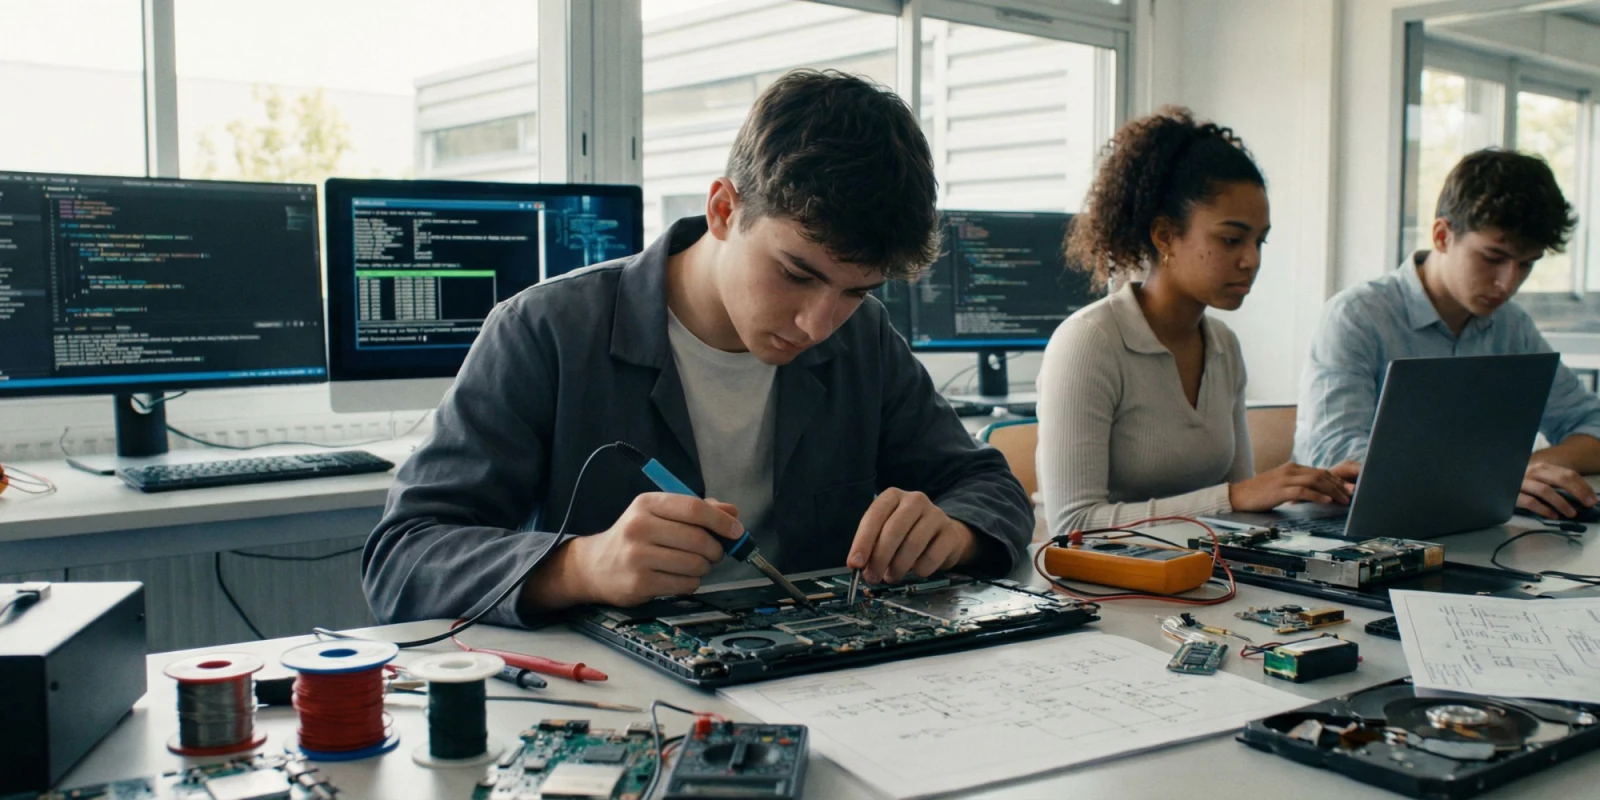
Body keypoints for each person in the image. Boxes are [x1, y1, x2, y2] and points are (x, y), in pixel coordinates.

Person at [362, 70, 1033, 625]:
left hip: (823, 680)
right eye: (797, 273)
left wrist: (955, 530)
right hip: (618, 706)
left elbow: (986, 484)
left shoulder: (865, 338)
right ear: (722, 209)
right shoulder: (545, 331)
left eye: (856, 290)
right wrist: (581, 565)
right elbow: (403, 555)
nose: (817, 324)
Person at [1038, 107, 1356, 536]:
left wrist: (1302, 491)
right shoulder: (1089, 342)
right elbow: (1071, 524)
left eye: (1259, 241)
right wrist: (1233, 497)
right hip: (1114, 589)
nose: (1252, 260)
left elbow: (1241, 505)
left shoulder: (1223, 345)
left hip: (1206, 576)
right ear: (1165, 235)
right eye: (1231, 239)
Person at [1295, 148, 1598, 520]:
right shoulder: (1357, 316)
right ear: (1442, 235)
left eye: (1526, 265)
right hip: (1356, 533)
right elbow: (1335, 457)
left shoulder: (1512, 325)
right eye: (1492, 257)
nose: (1508, 283)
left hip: (1472, 525)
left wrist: (1517, 471)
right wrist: (1491, 476)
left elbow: (1593, 427)